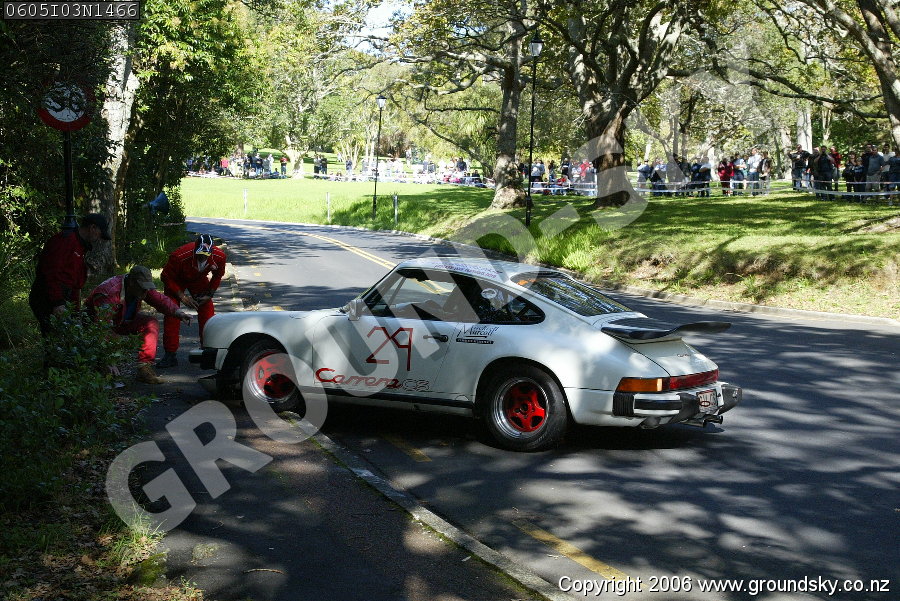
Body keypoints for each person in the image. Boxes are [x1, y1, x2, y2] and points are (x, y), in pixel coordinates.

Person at [84, 265, 190, 385]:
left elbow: (159, 300)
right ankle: (100, 370)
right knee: (110, 348)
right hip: (94, 327)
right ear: (132, 283)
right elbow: (102, 327)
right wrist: (108, 359)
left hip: (120, 321)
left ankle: (144, 369)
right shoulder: (109, 293)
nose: (146, 292)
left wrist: (178, 312)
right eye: (143, 288)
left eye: (147, 288)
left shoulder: (139, 288)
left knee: (151, 324)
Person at [29, 213, 111, 338]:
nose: (99, 238)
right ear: (92, 228)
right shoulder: (64, 241)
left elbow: (75, 284)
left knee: (68, 338)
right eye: (100, 233)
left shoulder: (81, 246)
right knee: (55, 339)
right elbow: (51, 274)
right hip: (47, 297)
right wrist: (57, 303)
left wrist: (75, 311)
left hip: (63, 297)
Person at [157, 234, 226, 368]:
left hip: (198, 279)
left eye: (206, 255)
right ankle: (170, 354)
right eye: (200, 254)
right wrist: (182, 296)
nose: (202, 257)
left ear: (211, 251)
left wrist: (210, 294)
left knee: (207, 311)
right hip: (176, 281)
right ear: (195, 250)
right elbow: (165, 276)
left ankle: (207, 350)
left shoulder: (220, 257)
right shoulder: (179, 256)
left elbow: (218, 275)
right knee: (172, 313)